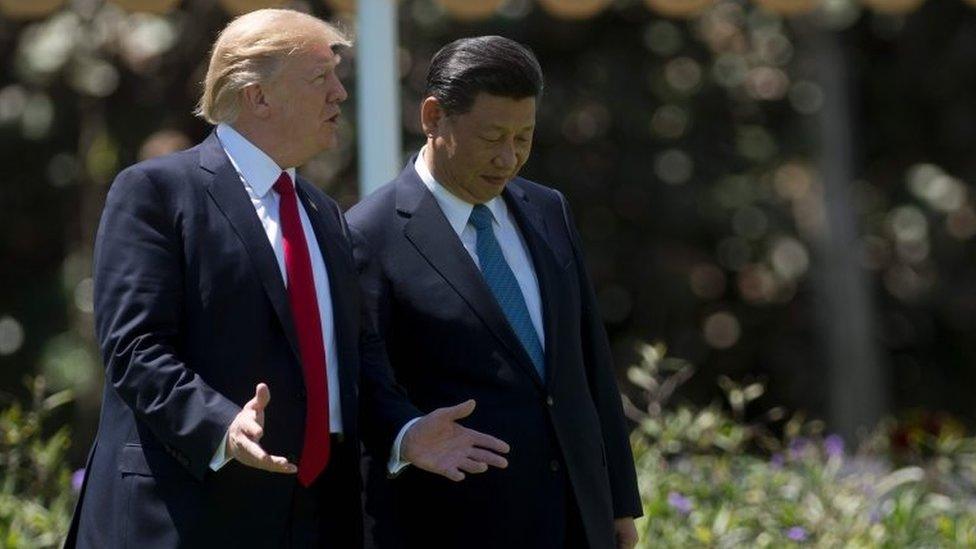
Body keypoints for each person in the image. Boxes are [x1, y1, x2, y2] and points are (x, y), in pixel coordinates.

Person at [65, 11, 509, 548]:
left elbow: (355, 355)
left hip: (315, 520)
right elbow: (135, 349)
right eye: (320, 77)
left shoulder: (322, 213)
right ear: (258, 97)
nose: (340, 94)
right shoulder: (156, 192)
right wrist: (221, 426)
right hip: (183, 515)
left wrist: (405, 430)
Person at [346, 36, 642, 549]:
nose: (509, 159)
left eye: (524, 137)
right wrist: (407, 434)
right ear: (434, 118)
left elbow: (587, 364)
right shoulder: (368, 234)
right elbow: (364, 384)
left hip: (577, 517)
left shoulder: (549, 209)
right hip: (456, 522)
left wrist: (617, 503)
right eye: (492, 137)